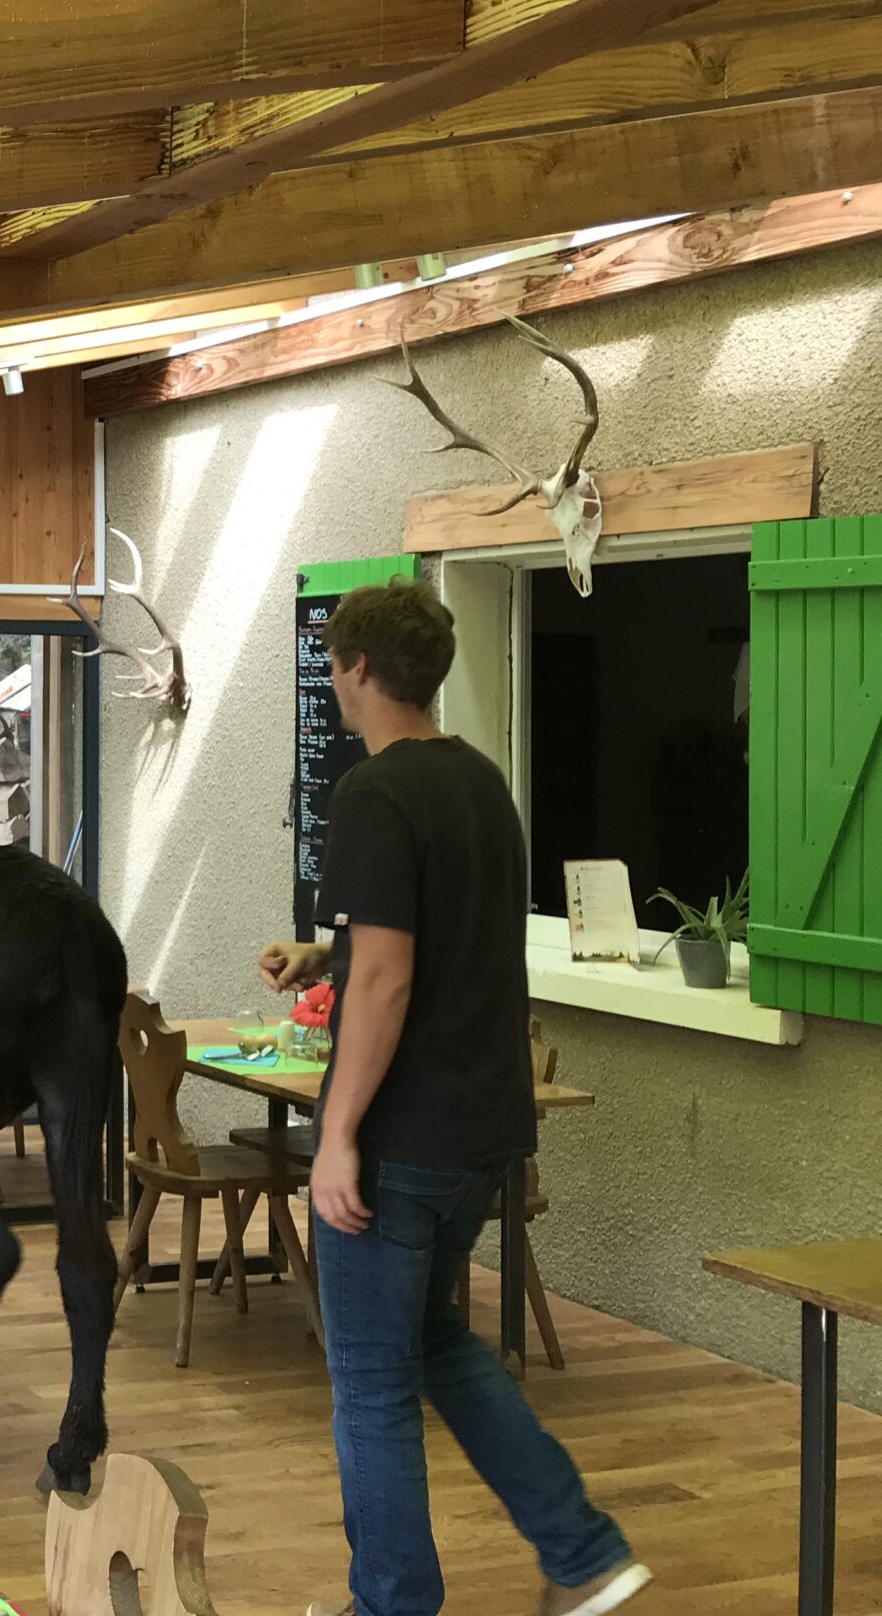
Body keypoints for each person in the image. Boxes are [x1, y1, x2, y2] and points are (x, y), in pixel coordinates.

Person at [259, 580, 649, 1616]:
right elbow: (432, 944)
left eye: (332, 666)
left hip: (399, 1142)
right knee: (434, 1342)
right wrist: (326, 954)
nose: (331, 684)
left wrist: (337, 1135)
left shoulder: (372, 794)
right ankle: (584, 1554)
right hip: (482, 1135)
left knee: (371, 1385)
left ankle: (392, 1605)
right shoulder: (480, 783)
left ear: (356, 668)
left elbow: (388, 983)